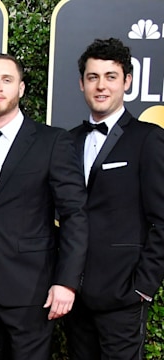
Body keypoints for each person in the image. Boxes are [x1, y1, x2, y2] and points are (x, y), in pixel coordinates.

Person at [0, 53, 89, 359]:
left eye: (6, 80)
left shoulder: (52, 141)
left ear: (22, 88)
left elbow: (74, 215)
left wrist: (66, 282)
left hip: (33, 289)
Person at [64, 38, 164, 360]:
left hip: (123, 297)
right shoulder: (67, 141)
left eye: (111, 76)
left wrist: (143, 288)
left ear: (127, 82)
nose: (101, 86)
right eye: (93, 77)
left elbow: (161, 220)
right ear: (82, 84)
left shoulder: (147, 139)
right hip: (75, 298)